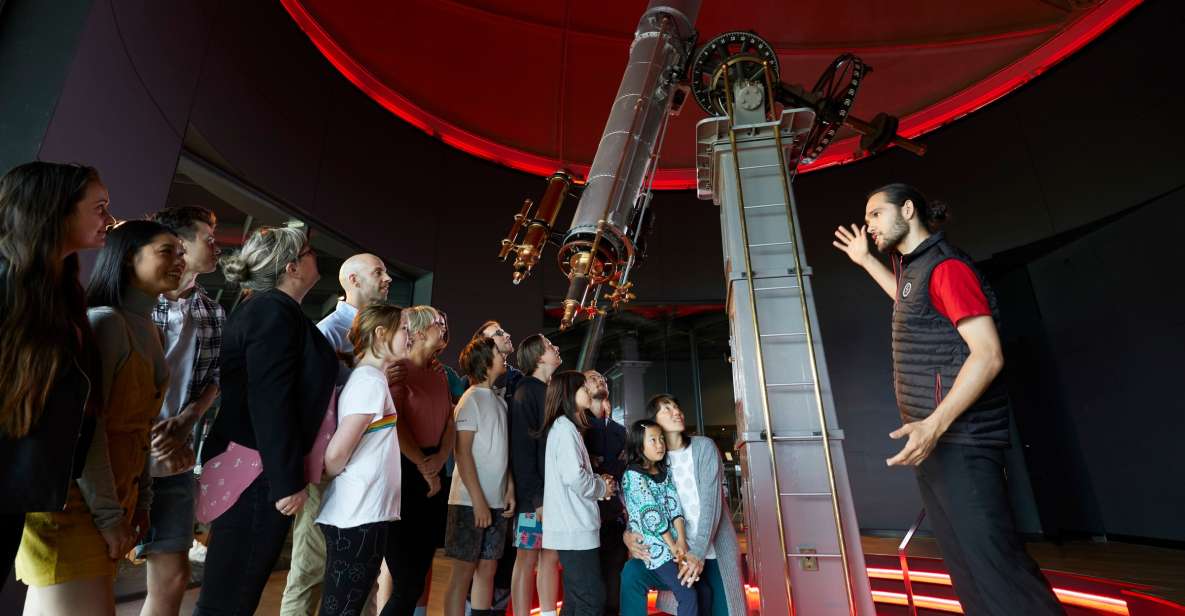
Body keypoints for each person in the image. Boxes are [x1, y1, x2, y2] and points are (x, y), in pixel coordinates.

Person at [832, 183, 1064, 615]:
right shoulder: (914, 269)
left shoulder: (946, 267)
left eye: (875, 216)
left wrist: (935, 424)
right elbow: (908, 308)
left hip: (964, 442)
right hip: (936, 445)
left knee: (998, 570)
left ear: (907, 209)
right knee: (968, 572)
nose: (869, 227)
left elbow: (989, 354)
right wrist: (865, 261)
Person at [17, 220, 184, 613]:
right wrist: (112, 516)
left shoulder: (150, 332)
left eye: (180, 251)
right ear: (129, 258)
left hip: (110, 502)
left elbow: (139, 429)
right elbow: (86, 429)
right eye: (166, 251)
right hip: (74, 506)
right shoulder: (105, 322)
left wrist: (141, 501)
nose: (180, 259)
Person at [194, 226, 338, 615]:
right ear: (292, 267)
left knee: (235, 590)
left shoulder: (274, 310)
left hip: (256, 469)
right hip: (255, 472)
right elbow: (269, 400)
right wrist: (285, 479)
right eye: (309, 252)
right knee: (232, 596)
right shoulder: (271, 310)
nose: (315, 258)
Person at [0, 162, 112, 589]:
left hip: (17, 490)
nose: (109, 219)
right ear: (55, 210)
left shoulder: (60, 291)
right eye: (99, 207)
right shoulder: (7, 284)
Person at [282, 253, 393, 616]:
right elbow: (308, 403)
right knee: (310, 570)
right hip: (325, 471)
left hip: (362, 472)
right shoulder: (327, 332)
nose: (387, 278)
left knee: (362, 574)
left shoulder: (382, 338)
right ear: (353, 281)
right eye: (378, 272)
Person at [137, 206, 226, 616]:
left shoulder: (212, 311)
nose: (216, 246)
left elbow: (215, 379)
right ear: (179, 244)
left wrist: (188, 419)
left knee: (173, 578)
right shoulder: (138, 303)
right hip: (126, 455)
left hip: (176, 457)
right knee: (97, 568)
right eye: (208, 237)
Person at [316, 303, 409, 616]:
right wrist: (338, 474)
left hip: (365, 512)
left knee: (347, 605)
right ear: (381, 334)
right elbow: (336, 454)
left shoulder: (371, 378)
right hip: (358, 513)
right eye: (405, 330)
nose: (411, 336)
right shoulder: (369, 381)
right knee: (342, 607)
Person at [621, 395, 745, 616]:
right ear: (654, 423)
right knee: (632, 573)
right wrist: (629, 534)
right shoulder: (656, 460)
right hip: (675, 553)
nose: (676, 412)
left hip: (711, 550)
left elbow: (711, 506)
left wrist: (696, 553)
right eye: (666, 409)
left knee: (717, 606)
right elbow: (643, 504)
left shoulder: (703, 447)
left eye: (676, 407)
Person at [385, 305, 455, 616]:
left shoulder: (439, 373)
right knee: (406, 581)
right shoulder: (398, 369)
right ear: (418, 331)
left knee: (419, 573)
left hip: (434, 466)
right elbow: (394, 422)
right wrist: (422, 464)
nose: (444, 326)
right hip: (403, 469)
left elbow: (450, 421)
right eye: (438, 322)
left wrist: (439, 458)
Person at [443, 337, 515, 616]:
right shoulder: (469, 399)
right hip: (468, 503)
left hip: (496, 502)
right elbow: (462, 453)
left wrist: (509, 487)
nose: (503, 355)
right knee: (462, 574)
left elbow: (502, 451)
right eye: (498, 352)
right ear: (485, 362)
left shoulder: (500, 401)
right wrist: (478, 501)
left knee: (488, 569)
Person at [540, 371, 616, 616]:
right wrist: (601, 487)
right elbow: (574, 477)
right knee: (590, 600)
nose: (588, 390)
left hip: (573, 526)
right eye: (583, 387)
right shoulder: (565, 430)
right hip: (575, 527)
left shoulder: (566, 428)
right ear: (569, 395)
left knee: (576, 601)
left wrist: (596, 481)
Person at [621, 419, 710, 616]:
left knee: (703, 590)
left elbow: (674, 504)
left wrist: (681, 540)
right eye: (652, 440)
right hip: (655, 549)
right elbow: (652, 514)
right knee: (687, 594)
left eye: (661, 439)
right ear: (639, 444)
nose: (660, 444)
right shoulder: (632, 475)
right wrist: (673, 546)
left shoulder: (663, 470)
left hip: (674, 547)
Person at [508, 335, 563, 616]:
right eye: (551, 347)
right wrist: (536, 497)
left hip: (554, 494)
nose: (556, 349)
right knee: (527, 557)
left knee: (550, 557)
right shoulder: (526, 392)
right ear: (539, 357)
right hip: (535, 497)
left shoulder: (551, 391)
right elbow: (522, 451)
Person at [582, 370, 628, 616]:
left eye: (602, 378)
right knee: (589, 588)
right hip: (587, 517)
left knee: (614, 585)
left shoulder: (620, 431)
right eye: (593, 378)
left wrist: (602, 468)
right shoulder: (578, 426)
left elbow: (622, 466)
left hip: (614, 516)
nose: (600, 379)